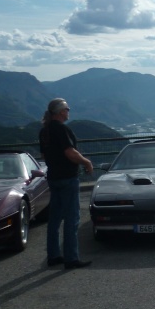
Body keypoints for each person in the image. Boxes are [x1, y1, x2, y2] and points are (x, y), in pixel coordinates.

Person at [39, 98, 94, 269]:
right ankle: (71, 258)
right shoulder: (61, 129)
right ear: (61, 111)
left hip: (54, 177)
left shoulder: (44, 131)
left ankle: (54, 255)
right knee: (72, 218)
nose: (69, 111)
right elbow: (70, 152)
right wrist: (86, 162)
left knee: (55, 218)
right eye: (67, 109)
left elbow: (45, 154)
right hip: (67, 178)